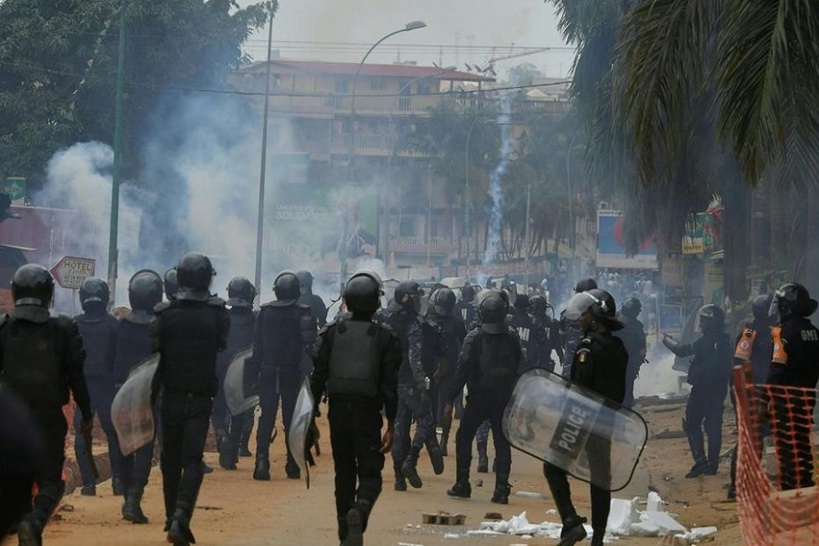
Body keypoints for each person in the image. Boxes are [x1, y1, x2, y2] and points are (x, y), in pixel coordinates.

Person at [0, 264, 94, 546]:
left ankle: (23, 522)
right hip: (49, 418)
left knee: (15, 481)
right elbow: (77, 375)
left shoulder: (4, 328)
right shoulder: (64, 328)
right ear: (49, 294)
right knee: (52, 481)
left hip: (10, 421)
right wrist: (87, 413)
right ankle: (35, 520)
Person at [310, 270, 399, 546]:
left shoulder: (331, 333)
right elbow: (389, 387)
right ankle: (359, 512)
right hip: (368, 413)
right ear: (376, 302)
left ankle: (344, 533)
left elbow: (317, 378)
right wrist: (392, 424)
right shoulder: (385, 337)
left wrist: (310, 418)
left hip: (337, 411)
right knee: (371, 474)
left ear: (346, 300)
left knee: (344, 472)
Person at [150, 253, 230, 545]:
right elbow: (223, 342)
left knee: (170, 460)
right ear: (208, 278)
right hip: (199, 397)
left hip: (169, 395)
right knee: (193, 460)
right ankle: (182, 514)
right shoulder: (218, 313)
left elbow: (154, 350)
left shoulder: (164, 314)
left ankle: (172, 516)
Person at [543, 289, 628, 546]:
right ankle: (598, 540)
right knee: (600, 478)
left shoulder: (587, 347)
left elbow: (580, 387)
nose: (580, 319)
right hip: (606, 422)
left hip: (581, 418)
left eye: (585, 315)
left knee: (553, 467)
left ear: (597, 315)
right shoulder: (619, 348)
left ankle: (570, 522)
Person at [445, 290, 523, 504]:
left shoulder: (475, 336)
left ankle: (462, 483)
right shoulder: (512, 336)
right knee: (502, 442)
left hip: (479, 398)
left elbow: (462, 369)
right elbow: (520, 367)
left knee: (463, 437)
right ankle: (500, 490)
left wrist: (450, 399)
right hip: (504, 399)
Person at [247, 270, 316, 481]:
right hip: (291, 372)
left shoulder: (264, 313)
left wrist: (252, 375)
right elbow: (310, 346)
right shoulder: (303, 313)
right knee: (290, 418)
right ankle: (292, 464)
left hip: (268, 370)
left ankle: (261, 462)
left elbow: (256, 349)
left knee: (266, 417)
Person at [111, 269, 164, 524]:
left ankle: (123, 487)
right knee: (143, 447)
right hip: (150, 396)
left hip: (121, 393)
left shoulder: (119, 327)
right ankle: (133, 499)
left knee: (124, 444)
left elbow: (111, 361)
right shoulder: (161, 326)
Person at [386, 281, 444, 491]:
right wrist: (422, 384)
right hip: (409, 380)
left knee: (399, 427)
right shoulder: (413, 325)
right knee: (425, 419)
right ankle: (411, 460)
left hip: (391, 382)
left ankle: (398, 478)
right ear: (407, 300)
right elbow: (415, 357)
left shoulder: (387, 321)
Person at [663, 304, 733, 478]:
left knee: (692, 424)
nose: (701, 323)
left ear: (712, 321)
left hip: (702, 389)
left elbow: (682, 351)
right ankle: (713, 465)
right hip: (718, 389)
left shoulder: (707, 340)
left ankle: (701, 461)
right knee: (714, 425)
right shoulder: (725, 340)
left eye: (704, 320)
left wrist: (667, 341)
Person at [765, 283, 819, 491]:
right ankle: (806, 485)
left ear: (787, 306)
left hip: (784, 401)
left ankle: (790, 490)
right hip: (806, 400)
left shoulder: (783, 333)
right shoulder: (814, 332)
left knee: (786, 447)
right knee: (803, 444)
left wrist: (765, 399)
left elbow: (777, 368)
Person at [73, 277, 120, 496]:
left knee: (83, 437)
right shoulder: (113, 324)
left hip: (85, 388)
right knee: (114, 434)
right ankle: (118, 481)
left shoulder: (74, 324)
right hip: (108, 388)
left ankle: (89, 484)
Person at [726, 294, 773, 500]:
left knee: (758, 438)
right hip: (748, 393)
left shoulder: (774, 333)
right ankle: (737, 487)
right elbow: (738, 364)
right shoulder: (750, 333)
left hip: (763, 394)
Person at [214, 276, 257, 470]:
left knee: (219, 407)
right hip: (244, 369)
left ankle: (221, 435)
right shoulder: (256, 318)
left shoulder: (221, 316)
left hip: (221, 366)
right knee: (239, 411)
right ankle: (232, 450)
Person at [425, 287, 467, 456]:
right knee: (445, 405)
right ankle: (442, 441)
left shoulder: (427, 319)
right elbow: (465, 343)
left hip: (434, 368)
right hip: (448, 367)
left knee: (433, 405)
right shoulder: (456, 321)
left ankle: (437, 440)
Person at [559, 278, 598, 379]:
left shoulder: (565, 315)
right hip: (591, 373)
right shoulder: (599, 316)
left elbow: (562, 340)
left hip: (569, 371)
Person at [613, 296, 647, 408]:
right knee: (627, 394)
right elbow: (642, 350)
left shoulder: (613, 320)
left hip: (612, 364)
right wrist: (637, 364)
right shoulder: (637, 328)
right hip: (628, 366)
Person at [529, 295, 563, 372]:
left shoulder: (530, 322)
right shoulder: (552, 322)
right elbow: (557, 343)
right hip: (544, 362)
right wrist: (561, 356)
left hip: (533, 362)